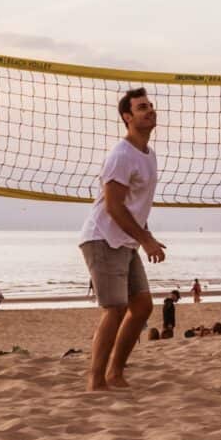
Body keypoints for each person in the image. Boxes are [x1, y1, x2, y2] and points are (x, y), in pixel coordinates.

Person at [77, 87, 166, 394]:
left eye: (150, 105)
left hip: (125, 241)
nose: (150, 110)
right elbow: (114, 207)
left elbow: (135, 205)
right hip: (102, 238)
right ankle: (96, 380)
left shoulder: (149, 155)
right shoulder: (121, 155)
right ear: (127, 117)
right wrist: (146, 240)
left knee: (141, 307)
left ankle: (115, 372)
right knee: (114, 308)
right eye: (142, 107)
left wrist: (146, 236)